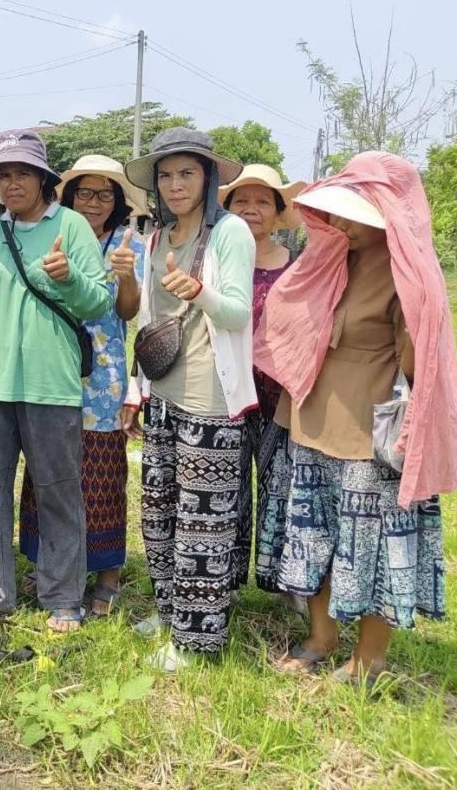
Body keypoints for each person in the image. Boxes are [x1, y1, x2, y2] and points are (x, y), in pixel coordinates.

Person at [257, 152, 457, 684]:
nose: (342, 223)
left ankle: (369, 658)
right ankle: (321, 636)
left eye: (356, 213)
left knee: (370, 545)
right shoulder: (327, 258)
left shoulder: (408, 273)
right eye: (339, 211)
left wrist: (420, 318)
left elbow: (418, 367)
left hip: (369, 434)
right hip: (311, 419)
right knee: (313, 534)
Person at [0, 131, 111, 632]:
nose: (12, 183)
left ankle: (63, 598)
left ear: (43, 180)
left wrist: (68, 276)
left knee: (58, 492)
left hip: (50, 384)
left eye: (23, 173)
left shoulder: (71, 226)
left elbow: (98, 302)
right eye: (4, 175)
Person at [123, 128, 255, 672]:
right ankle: (171, 612)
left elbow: (240, 313)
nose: (176, 185)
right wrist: (137, 390)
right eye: (166, 176)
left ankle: (197, 641)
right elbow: (148, 320)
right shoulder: (158, 236)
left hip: (210, 401)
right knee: (160, 514)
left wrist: (200, 292)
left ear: (208, 177)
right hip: (163, 393)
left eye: (187, 173)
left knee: (204, 524)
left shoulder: (230, 233)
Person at [19, 155, 147, 616]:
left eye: (104, 194)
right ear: (70, 196)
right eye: (85, 192)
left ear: (117, 201)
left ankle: (107, 574)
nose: (94, 202)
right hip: (52, 367)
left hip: (103, 376)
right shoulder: (54, 235)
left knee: (101, 475)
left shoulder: (129, 245)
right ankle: (49, 561)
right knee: (47, 469)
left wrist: (126, 274)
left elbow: (129, 312)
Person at [217, 165, 306, 608]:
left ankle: (285, 581)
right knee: (228, 486)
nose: (251, 209)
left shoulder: (299, 265)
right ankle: (227, 579)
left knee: (281, 486)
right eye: (241, 201)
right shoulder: (215, 258)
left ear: (277, 211)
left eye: (262, 201)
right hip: (226, 392)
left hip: (281, 395)